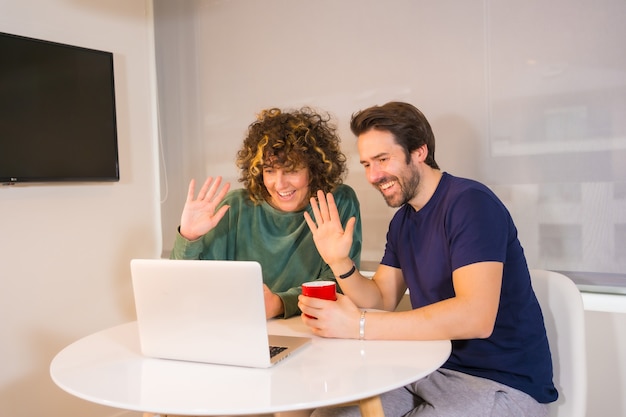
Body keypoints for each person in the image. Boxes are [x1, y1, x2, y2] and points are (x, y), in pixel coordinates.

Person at [299, 101, 557, 416]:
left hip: (500, 384)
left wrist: (359, 325)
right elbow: (380, 300)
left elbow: (476, 317)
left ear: (419, 151)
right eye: (367, 164)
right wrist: (340, 263)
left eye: (383, 159)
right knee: (328, 413)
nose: (373, 175)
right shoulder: (404, 221)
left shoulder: (470, 204)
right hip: (430, 370)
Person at [171, 107, 362, 319]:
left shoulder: (337, 202)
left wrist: (281, 304)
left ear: (314, 170)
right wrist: (188, 237)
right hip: (237, 328)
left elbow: (340, 282)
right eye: (269, 171)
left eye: (291, 170)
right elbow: (185, 286)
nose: (279, 184)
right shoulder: (235, 206)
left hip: (312, 330)